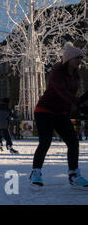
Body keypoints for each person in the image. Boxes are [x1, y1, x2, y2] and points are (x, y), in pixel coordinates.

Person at [30, 42, 88, 189]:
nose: (79, 61)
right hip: (45, 111)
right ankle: (35, 173)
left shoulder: (75, 77)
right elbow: (62, 93)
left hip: (61, 113)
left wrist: (83, 102)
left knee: (73, 142)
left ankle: (74, 175)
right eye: (76, 58)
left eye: (80, 58)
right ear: (68, 59)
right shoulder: (56, 73)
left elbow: (72, 98)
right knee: (45, 142)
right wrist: (78, 104)